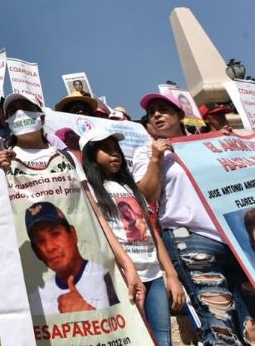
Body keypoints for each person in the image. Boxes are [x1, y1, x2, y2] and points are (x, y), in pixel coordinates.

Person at [132, 92, 255, 346]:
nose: (157, 115)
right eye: (152, 113)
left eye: (163, 109)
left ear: (180, 115)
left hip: (236, 237)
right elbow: (147, 196)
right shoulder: (146, 153)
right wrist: (156, 159)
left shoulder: (209, 143)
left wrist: (245, 139)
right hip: (192, 241)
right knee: (220, 327)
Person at [0, 93, 145, 308]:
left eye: (25, 107)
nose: (20, 115)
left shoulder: (67, 158)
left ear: (42, 118)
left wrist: (126, 263)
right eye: (12, 112)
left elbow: (96, 213)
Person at [81, 128, 185, 345]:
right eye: (106, 150)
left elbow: (152, 232)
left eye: (116, 149)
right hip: (124, 277)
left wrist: (172, 275)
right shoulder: (88, 189)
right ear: (90, 156)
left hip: (154, 276)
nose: (114, 154)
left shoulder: (130, 187)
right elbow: (104, 233)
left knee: (163, 339)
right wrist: (127, 269)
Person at [25, 201, 120, 315]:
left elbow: (129, 328)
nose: (49, 247)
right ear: (37, 253)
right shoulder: (37, 299)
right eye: (40, 241)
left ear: (73, 235)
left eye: (55, 233)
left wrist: (88, 314)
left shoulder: (107, 278)